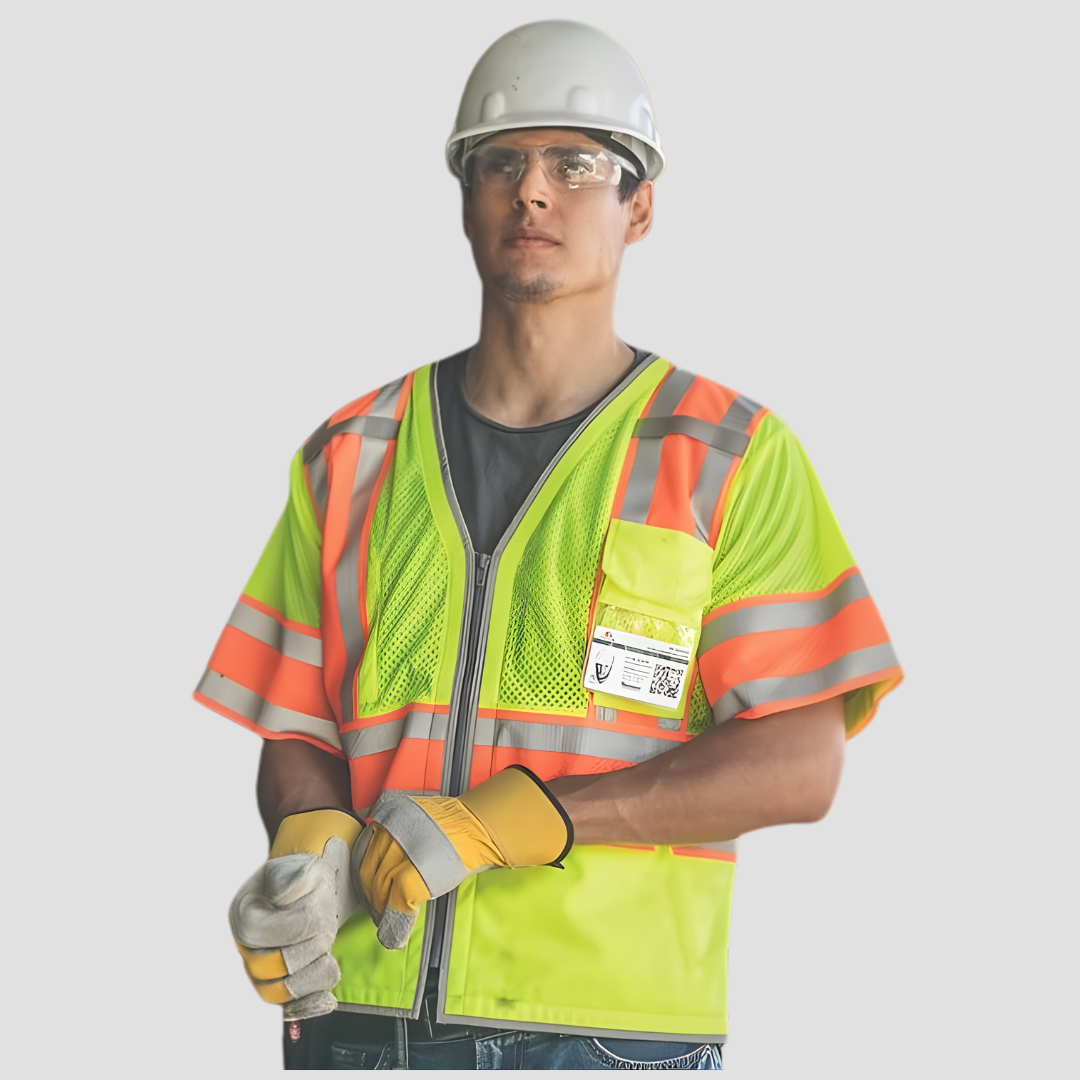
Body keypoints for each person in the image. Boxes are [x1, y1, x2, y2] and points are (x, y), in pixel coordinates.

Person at [195, 20, 903, 1071]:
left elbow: (801, 761)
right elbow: (300, 730)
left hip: (608, 1036)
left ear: (640, 206)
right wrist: (308, 844)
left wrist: (524, 821)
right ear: (467, 200)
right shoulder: (350, 456)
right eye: (502, 163)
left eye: (577, 164)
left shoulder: (728, 456)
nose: (534, 192)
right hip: (358, 1021)